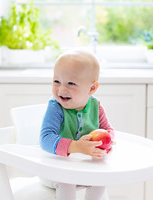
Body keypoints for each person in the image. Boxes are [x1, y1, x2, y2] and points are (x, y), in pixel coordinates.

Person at [40, 50, 115, 200]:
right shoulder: (56, 108)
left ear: (92, 88)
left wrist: (107, 142)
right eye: (56, 81)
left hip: (83, 168)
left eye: (71, 83)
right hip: (54, 169)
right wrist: (76, 147)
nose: (61, 89)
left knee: (101, 180)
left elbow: (108, 130)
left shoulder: (96, 107)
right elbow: (45, 138)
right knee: (67, 182)